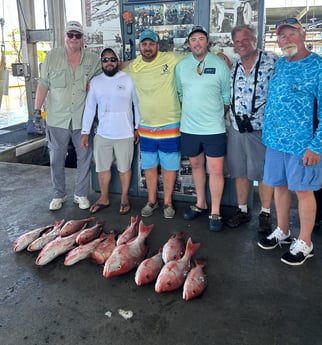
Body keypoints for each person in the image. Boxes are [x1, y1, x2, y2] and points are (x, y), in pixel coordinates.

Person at [257, 18, 322, 265]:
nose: (286, 40)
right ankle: (283, 231)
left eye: (291, 34)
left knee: (304, 192)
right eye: (282, 36)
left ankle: (305, 241)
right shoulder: (281, 64)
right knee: (279, 187)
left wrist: (317, 146)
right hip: (275, 142)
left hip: (303, 146)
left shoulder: (318, 67)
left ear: (303, 35)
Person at [33, 21, 101, 211]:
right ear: (65, 36)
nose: (73, 39)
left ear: (82, 39)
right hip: (57, 118)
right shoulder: (52, 56)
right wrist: (37, 111)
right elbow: (43, 84)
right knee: (56, 158)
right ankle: (58, 194)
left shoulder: (93, 59)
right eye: (70, 35)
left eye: (77, 35)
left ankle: (81, 194)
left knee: (84, 157)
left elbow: (98, 86)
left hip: (82, 119)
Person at [175, 26, 230, 232]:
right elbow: (180, 94)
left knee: (215, 170)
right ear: (188, 44)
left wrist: (214, 114)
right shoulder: (181, 66)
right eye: (193, 40)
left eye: (201, 39)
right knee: (196, 166)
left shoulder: (220, 65)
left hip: (214, 128)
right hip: (189, 128)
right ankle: (201, 203)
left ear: (207, 42)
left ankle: (215, 211)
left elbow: (226, 97)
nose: (197, 43)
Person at [123, 29, 182, 219]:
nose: (147, 48)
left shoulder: (171, 58)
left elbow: (195, 58)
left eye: (151, 44)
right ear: (139, 46)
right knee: (149, 166)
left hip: (170, 125)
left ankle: (167, 202)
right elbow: (114, 68)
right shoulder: (134, 66)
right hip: (146, 127)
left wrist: (218, 55)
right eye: (144, 44)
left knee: (169, 166)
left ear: (157, 45)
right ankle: (152, 201)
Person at [225, 24, 278, 232]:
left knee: (264, 172)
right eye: (237, 41)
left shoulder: (273, 61)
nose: (241, 44)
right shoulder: (234, 66)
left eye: (245, 39)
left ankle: (265, 213)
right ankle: (243, 210)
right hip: (237, 128)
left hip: (261, 128)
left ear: (255, 40)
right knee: (239, 171)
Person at [80, 48, 140, 215]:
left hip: (125, 133)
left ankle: (124, 198)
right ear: (101, 63)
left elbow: (137, 104)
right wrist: (85, 131)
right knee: (102, 168)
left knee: (124, 168)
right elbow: (90, 108)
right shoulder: (96, 82)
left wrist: (137, 127)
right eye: (105, 60)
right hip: (103, 134)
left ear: (117, 61)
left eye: (112, 59)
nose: (109, 62)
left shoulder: (128, 80)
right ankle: (104, 198)